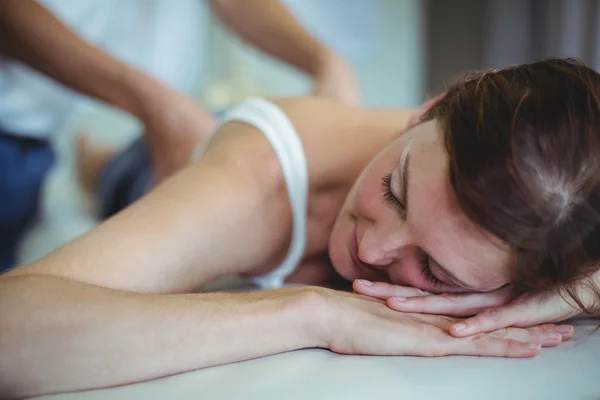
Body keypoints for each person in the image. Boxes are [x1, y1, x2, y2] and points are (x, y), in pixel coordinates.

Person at [2, 58, 599, 398]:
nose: (372, 246)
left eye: (436, 270)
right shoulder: (250, 187)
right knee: (124, 173)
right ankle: (96, 157)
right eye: (395, 189)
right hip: (181, 168)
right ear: (429, 107)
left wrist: (577, 288)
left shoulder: (550, 208)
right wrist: (313, 313)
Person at [0, 0, 359, 272]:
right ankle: (97, 164)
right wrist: (153, 103)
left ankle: (99, 162)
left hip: (34, 136)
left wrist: (325, 61)